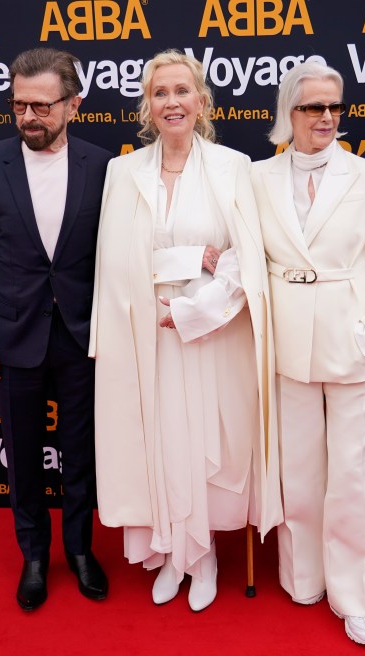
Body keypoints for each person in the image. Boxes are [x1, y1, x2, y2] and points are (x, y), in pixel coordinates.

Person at [88, 49, 282, 613]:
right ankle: (173, 554)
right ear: (148, 106)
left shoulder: (233, 167)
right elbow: (116, 261)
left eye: (182, 91)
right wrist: (189, 258)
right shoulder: (122, 172)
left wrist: (192, 311)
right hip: (146, 336)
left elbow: (246, 262)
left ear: (201, 101)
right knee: (161, 441)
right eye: (160, 93)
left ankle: (204, 558)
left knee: (205, 443)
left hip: (212, 332)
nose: (172, 102)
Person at [250, 62, 365, 645]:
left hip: (354, 343)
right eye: (313, 107)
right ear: (289, 112)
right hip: (287, 345)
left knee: (354, 475)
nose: (326, 118)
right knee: (301, 471)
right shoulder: (258, 178)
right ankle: (305, 575)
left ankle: (359, 592)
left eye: (334, 107)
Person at [0, 48, 112, 611]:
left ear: (73, 104)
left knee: (80, 454)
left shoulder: (104, 166)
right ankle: (35, 557)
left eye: (42, 106)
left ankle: (80, 551)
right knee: (22, 455)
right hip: (13, 333)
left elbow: (115, 255)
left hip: (81, 335)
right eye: (20, 105)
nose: (29, 117)